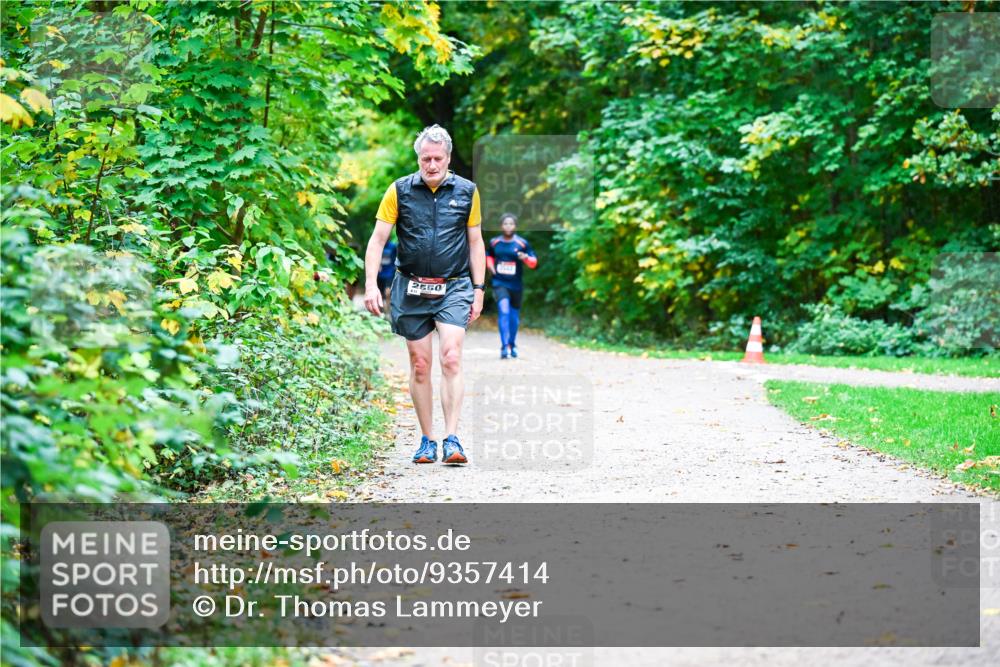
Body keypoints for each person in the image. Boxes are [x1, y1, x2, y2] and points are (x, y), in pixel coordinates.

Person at [363, 124, 486, 465]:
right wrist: (371, 284)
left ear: (448, 158)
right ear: (418, 158)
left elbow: (476, 242)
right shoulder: (399, 191)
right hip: (411, 286)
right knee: (420, 365)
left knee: (451, 356)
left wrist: (479, 289)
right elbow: (377, 240)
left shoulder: (467, 192)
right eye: (425, 159)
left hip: (454, 285)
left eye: (438, 158)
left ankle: (452, 439)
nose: (431, 164)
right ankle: (427, 440)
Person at [486, 213, 537, 359]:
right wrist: (490, 266)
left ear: (515, 226)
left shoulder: (522, 243)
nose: (508, 226)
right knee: (504, 311)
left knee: (514, 318)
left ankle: (512, 344)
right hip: (499, 283)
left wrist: (525, 258)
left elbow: (534, 262)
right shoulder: (495, 242)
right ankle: (504, 347)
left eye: (511, 224)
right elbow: (488, 255)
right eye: (505, 223)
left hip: (516, 285)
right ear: (501, 226)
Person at [377, 238, 397, 308]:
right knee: (380, 293)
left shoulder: (393, 246)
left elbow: (397, 257)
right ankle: (381, 310)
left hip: (389, 273)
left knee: (388, 292)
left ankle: (388, 310)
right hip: (379, 274)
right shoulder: (378, 245)